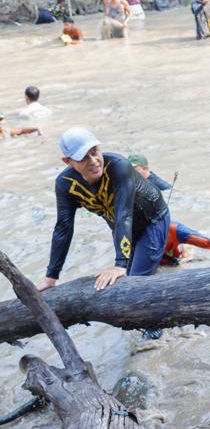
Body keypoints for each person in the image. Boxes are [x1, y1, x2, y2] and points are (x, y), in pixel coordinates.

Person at [36, 128, 170, 308]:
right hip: (121, 227)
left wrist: (119, 264)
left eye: (95, 152)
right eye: (84, 157)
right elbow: (63, 228)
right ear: (67, 161)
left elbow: (124, 213)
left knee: (135, 284)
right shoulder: (65, 184)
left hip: (152, 220)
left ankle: (153, 330)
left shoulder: (119, 166)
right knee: (124, 281)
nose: (94, 161)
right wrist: (51, 277)